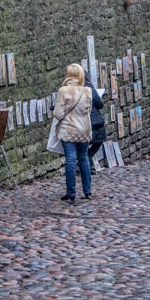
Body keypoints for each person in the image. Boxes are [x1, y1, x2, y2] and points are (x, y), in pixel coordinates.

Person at [53, 63, 93, 202]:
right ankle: (87, 190)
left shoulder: (63, 91)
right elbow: (88, 110)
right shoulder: (87, 90)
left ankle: (71, 192)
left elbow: (58, 114)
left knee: (70, 159)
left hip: (68, 129)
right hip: (84, 128)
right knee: (83, 158)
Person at [84, 78, 105, 175]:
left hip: (89, 120)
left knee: (86, 144)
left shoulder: (69, 89)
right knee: (97, 141)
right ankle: (88, 161)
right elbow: (100, 104)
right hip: (94, 120)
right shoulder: (90, 88)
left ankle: (88, 160)